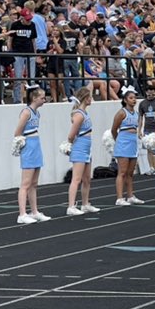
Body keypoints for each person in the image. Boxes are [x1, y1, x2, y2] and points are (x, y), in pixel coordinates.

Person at [14, 85, 50, 224]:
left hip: (36, 146)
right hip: (29, 147)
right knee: (25, 183)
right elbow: (17, 132)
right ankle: (22, 214)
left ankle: (34, 212)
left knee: (34, 183)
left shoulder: (37, 113)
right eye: (42, 98)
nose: (44, 100)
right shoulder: (26, 112)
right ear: (34, 98)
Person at [65, 86, 99, 215]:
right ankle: (71, 206)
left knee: (87, 179)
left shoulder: (84, 113)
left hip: (87, 147)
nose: (92, 99)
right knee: (76, 178)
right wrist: (69, 145)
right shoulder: (79, 115)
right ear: (85, 98)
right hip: (80, 147)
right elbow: (71, 135)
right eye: (90, 97)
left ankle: (85, 204)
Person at [112, 86, 144, 206]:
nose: (134, 100)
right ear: (125, 100)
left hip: (133, 143)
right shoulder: (121, 113)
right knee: (122, 172)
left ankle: (130, 196)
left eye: (135, 98)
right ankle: (119, 198)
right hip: (123, 143)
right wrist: (119, 141)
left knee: (130, 173)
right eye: (131, 98)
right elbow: (114, 129)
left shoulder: (137, 114)